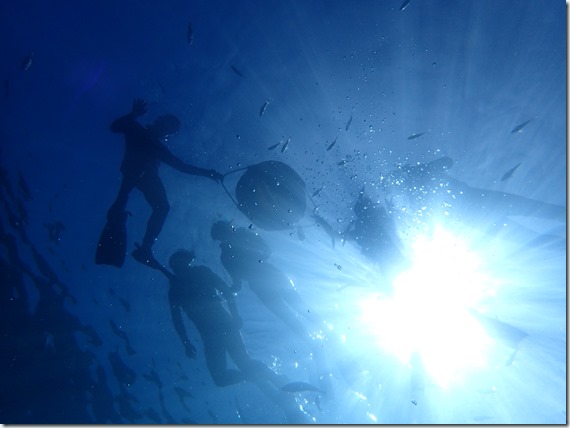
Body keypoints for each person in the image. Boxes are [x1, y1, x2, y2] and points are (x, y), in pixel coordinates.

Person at [145, 249, 311, 423]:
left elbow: (225, 290)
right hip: (210, 333)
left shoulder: (199, 273)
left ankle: (278, 390)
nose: (177, 266)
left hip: (223, 324)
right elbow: (177, 318)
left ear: (185, 261)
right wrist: (186, 341)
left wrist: (235, 315)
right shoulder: (175, 288)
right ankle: (273, 380)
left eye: (178, 262)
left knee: (243, 365)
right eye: (175, 264)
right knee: (223, 377)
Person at [96, 99, 223, 267]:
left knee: (159, 205)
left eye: (168, 130)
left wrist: (208, 173)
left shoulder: (151, 141)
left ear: (167, 135)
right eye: (165, 126)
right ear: (158, 123)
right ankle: (138, 236)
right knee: (157, 204)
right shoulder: (139, 132)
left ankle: (137, 235)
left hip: (140, 174)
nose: (164, 131)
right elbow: (115, 127)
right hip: (139, 172)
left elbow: (182, 166)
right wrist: (134, 114)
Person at [210, 220, 318, 344]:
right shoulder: (228, 254)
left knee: (294, 312)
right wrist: (229, 289)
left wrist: (230, 288)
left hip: (267, 280)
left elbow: (239, 281)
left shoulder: (230, 251)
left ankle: (314, 342)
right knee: (295, 311)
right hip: (269, 278)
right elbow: (239, 280)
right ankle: (315, 342)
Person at [343, 189, 410, 282]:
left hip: (386, 256)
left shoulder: (363, 227)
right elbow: (392, 226)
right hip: (388, 255)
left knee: (396, 271)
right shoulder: (373, 220)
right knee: (397, 270)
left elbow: (341, 237)